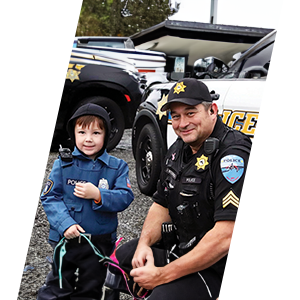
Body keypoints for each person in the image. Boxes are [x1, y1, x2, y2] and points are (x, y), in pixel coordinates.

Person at [115, 78, 252, 300]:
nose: (182, 123)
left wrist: (161, 276)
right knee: (121, 261)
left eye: (190, 113)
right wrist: (143, 245)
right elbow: (161, 204)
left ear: (212, 110)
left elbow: (226, 235)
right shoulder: (179, 148)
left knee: (162, 296)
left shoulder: (232, 157)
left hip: (218, 267)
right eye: (175, 116)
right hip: (184, 248)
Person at [37, 103, 134, 300]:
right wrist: (66, 224)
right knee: (58, 285)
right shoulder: (63, 164)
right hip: (66, 240)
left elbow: (125, 197)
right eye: (82, 132)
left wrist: (99, 194)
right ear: (73, 134)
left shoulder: (117, 167)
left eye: (96, 133)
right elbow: (49, 197)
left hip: (99, 242)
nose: (88, 139)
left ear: (106, 135)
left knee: (91, 287)